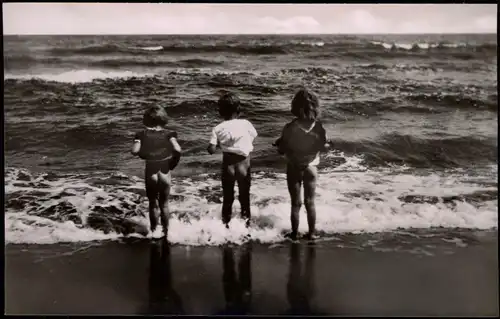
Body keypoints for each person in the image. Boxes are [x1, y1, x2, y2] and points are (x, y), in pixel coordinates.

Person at [274, 88, 328, 241]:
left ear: (294, 106)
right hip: (311, 168)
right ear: (316, 107)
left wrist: (279, 145)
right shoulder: (318, 127)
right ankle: (312, 233)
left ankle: (294, 234)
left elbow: (282, 149)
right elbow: (322, 147)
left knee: (295, 203)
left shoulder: (290, 127)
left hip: (294, 167)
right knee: (310, 202)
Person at [207, 92, 257, 228]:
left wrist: (216, 145)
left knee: (227, 199)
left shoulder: (217, 128)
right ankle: (247, 227)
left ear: (220, 111)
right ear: (238, 109)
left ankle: (225, 227)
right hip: (244, 165)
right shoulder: (246, 123)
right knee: (244, 198)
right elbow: (253, 136)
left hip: (228, 167)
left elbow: (211, 150)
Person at [131, 105, 181, 237]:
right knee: (164, 204)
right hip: (164, 172)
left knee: (153, 203)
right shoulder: (169, 134)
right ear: (164, 119)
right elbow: (177, 149)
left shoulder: (141, 134)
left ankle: (154, 232)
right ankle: (166, 233)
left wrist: (143, 150)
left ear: (146, 120)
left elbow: (134, 151)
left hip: (150, 172)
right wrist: (173, 162)